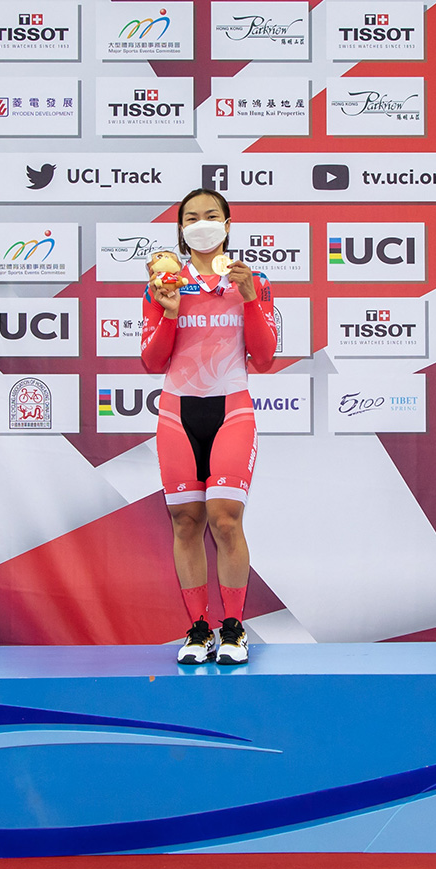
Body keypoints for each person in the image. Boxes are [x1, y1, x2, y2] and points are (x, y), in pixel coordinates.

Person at [140, 188, 278, 666]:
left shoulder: (252, 279)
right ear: (180, 229)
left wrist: (251, 300)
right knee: (185, 522)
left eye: (211, 216)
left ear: (228, 222)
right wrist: (171, 312)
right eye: (192, 218)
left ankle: (234, 628)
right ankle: (198, 630)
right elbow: (152, 360)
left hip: (231, 409)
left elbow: (263, 357)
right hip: (179, 412)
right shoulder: (164, 283)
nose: (202, 224)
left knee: (224, 518)